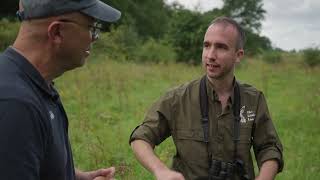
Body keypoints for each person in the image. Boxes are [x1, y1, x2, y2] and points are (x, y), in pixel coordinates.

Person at [129, 17, 284, 180]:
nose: (210, 55)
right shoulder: (177, 99)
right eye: (206, 45)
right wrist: (160, 170)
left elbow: (269, 148)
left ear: (238, 55)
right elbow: (140, 138)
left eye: (221, 47)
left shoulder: (253, 99)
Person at [0, 0, 120, 180]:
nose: (95, 37)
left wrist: (76, 176)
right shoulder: (16, 104)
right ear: (56, 32)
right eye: (91, 27)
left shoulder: (37, 84)